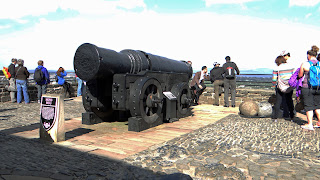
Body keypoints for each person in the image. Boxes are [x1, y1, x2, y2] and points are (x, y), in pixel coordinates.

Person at [298, 45, 320, 130]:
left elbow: (300, 75)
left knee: (309, 106)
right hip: (318, 87)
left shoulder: (305, 64)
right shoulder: (319, 63)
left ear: (308, 55)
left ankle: (310, 124)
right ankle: (319, 122)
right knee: (318, 106)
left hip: (307, 87)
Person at [271, 51, 295, 120]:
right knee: (289, 100)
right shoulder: (291, 66)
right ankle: (292, 115)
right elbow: (293, 76)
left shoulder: (277, 68)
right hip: (289, 86)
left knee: (278, 101)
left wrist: (273, 86)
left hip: (280, 86)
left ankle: (275, 117)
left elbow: (274, 79)